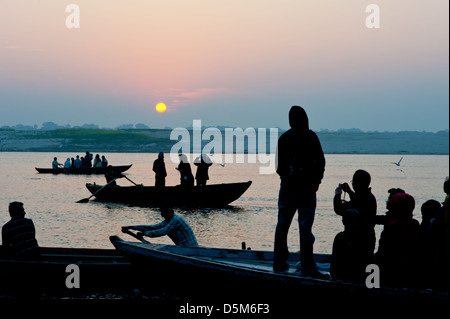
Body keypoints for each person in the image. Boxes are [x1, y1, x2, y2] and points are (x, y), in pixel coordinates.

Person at [273, 106, 326, 277]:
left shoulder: (284, 139)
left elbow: (279, 168)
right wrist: (315, 183)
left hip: (290, 189)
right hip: (304, 190)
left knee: (282, 227)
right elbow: (321, 162)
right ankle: (307, 267)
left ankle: (279, 264)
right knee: (304, 229)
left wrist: (290, 180)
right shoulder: (310, 137)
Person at [375, 193, 420, 287]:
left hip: (390, 271)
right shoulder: (415, 225)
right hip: (409, 272)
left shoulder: (392, 227)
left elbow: (383, 253)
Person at [333, 170, 377, 256]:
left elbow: (339, 209)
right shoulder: (370, 197)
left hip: (355, 240)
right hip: (368, 239)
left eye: (353, 181)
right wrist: (349, 191)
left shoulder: (360, 199)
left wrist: (337, 194)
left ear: (357, 183)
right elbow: (358, 200)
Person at [330, 209, 373, 282]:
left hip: (349, 275)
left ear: (343, 222)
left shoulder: (340, 237)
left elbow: (335, 260)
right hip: (355, 276)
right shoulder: (364, 238)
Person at [123, 206, 199, 247]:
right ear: (163, 215)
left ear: (172, 212)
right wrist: (131, 227)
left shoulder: (176, 219)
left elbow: (163, 231)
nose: (167, 215)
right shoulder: (167, 221)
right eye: (165, 214)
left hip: (191, 249)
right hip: (183, 249)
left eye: (168, 213)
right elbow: (153, 227)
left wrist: (144, 234)